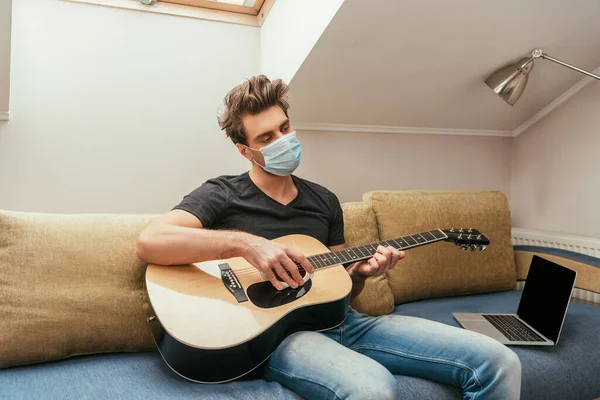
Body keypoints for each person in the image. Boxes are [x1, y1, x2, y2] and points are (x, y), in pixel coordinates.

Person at [136, 75, 522, 400]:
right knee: (373, 389)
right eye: (267, 137)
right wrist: (246, 244)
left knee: (498, 360)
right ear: (245, 150)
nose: (282, 140)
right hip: (277, 336)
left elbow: (338, 290)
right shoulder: (222, 192)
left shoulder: (323, 200)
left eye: (285, 128)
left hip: (346, 323)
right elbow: (151, 241)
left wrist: (362, 274)